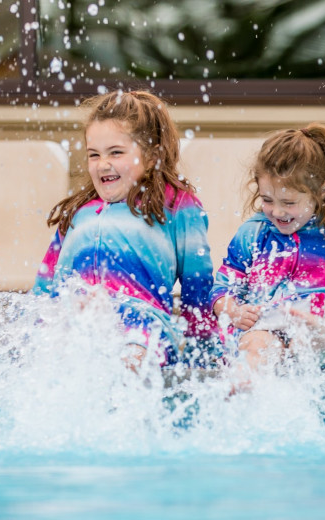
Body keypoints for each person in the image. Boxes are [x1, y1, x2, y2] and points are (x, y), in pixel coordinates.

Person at [33, 90, 217, 368]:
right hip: (74, 320)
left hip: (142, 324)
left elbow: (197, 281)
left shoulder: (175, 205)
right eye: (93, 155)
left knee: (131, 359)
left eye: (116, 153)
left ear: (153, 154)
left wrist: (203, 352)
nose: (102, 164)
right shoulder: (78, 212)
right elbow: (45, 285)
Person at [210, 122, 325, 371]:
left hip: (320, 327)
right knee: (255, 345)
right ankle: (243, 385)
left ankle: (314, 338)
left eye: (289, 202)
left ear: (321, 192)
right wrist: (231, 309)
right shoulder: (254, 232)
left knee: (310, 337)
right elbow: (225, 283)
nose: (277, 211)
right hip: (266, 323)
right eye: (267, 200)